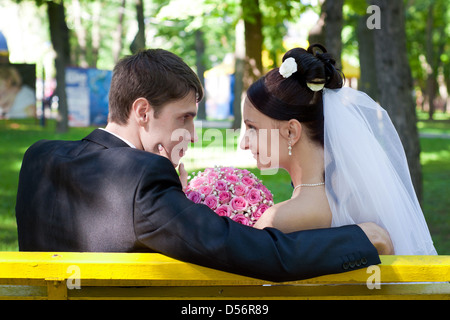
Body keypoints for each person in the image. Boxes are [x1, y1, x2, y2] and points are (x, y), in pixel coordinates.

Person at [16, 49, 391, 283]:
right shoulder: (142, 178)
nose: (193, 136)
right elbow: (257, 253)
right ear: (143, 111)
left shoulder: (38, 158)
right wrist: (361, 238)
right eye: (184, 119)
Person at [241, 44, 436, 255]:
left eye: (252, 127)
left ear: (291, 132)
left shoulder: (278, 221)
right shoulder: (360, 200)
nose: (244, 142)